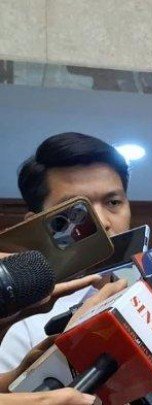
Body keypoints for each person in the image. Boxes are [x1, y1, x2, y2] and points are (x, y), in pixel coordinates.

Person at [0, 132, 132, 372]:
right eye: (76, 211)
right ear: (37, 225)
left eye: (113, 202)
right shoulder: (23, 326)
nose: (102, 222)